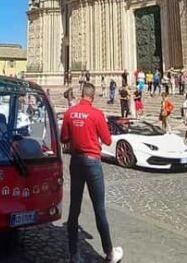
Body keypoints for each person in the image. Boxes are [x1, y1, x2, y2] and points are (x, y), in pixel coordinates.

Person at [60, 83, 123, 263]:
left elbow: (63, 138)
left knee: (74, 207)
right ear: (93, 96)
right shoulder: (96, 114)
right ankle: (109, 253)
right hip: (93, 162)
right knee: (99, 208)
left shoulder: (69, 113)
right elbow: (108, 140)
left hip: (76, 162)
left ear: (81, 94)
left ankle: (74, 254)